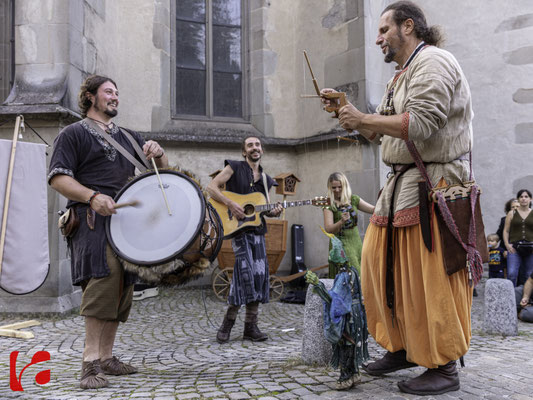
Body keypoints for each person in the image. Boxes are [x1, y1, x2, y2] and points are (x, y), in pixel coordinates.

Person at [322, 1, 475, 395]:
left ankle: (443, 365)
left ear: (408, 27)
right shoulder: (401, 75)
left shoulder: (434, 62)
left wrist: (363, 118)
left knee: (428, 275)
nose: (377, 39)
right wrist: (348, 113)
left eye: (384, 30)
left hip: (433, 181)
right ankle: (404, 346)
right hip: (401, 183)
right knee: (382, 267)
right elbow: (380, 133)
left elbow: (421, 124)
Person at [48, 75, 168, 389]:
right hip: (92, 219)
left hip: (126, 224)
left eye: (117, 92)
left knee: (123, 288)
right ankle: (89, 364)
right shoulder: (73, 134)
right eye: (108, 92)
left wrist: (158, 152)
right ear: (90, 96)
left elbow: (162, 172)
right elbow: (58, 178)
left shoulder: (129, 136)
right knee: (102, 282)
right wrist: (92, 196)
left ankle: (107, 358)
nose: (115, 97)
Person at [207, 136, 282, 344]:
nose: (254, 148)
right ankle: (227, 324)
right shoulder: (234, 167)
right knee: (244, 274)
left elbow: (262, 210)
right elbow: (211, 187)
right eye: (250, 145)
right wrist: (231, 204)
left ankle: (251, 326)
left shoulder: (266, 180)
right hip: (238, 232)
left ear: (262, 150)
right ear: (244, 151)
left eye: (257, 145)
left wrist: (274, 212)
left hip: (257, 232)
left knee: (258, 276)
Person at [323, 172, 375, 277]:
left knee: (362, 273)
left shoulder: (354, 199)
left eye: (340, 187)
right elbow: (328, 229)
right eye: (334, 187)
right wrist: (341, 222)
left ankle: (361, 294)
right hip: (341, 244)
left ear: (345, 186)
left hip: (356, 243)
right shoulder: (329, 204)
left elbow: (374, 210)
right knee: (353, 273)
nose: (337, 190)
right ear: (330, 188)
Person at [503, 189, 533, 286]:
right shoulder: (512, 213)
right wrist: (507, 245)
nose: (523, 199)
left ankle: (525, 298)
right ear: (518, 199)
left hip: (531, 249)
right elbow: (506, 231)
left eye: (526, 197)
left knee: (528, 275)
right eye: (521, 197)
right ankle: (510, 298)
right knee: (511, 274)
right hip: (514, 248)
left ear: (530, 199)